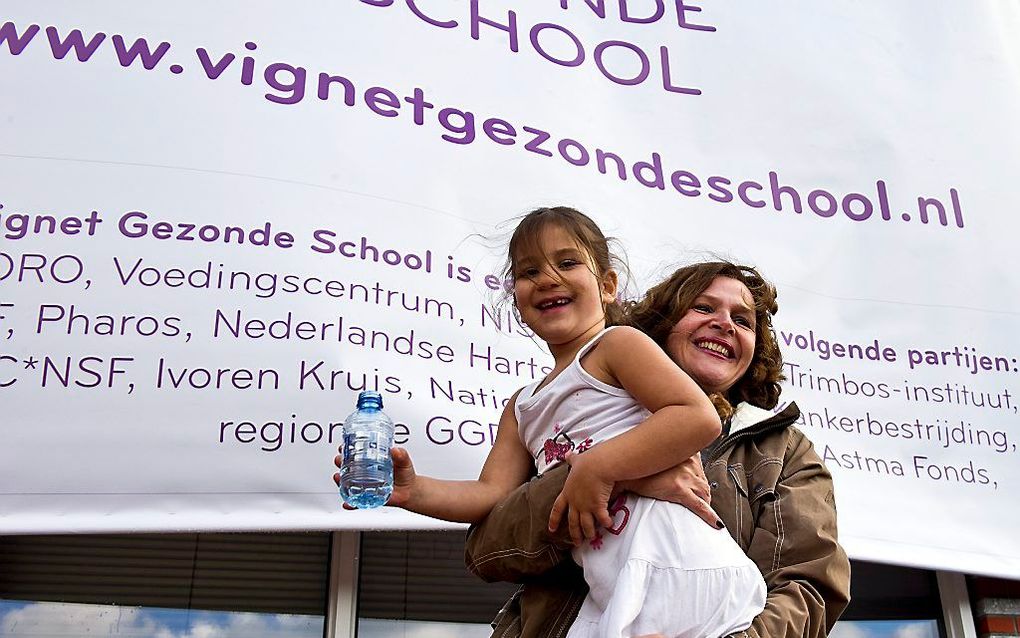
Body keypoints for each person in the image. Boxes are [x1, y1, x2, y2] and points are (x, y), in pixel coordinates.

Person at [336, 207, 767, 637]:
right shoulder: (522, 407)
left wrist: (596, 467)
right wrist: (415, 491)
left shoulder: (617, 345)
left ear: (607, 286)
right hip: (611, 583)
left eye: (567, 262)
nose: (546, 278)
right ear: (516, 299)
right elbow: (490, 496)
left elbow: (696, 417)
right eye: (529, 271)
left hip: (675, 560)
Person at [464, 260, 852, 638]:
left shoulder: (787, 452)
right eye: (703, 307)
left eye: (743, 320)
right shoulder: (575, 412)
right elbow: (488, 550)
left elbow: (808, 585)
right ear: (662, 326)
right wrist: (608, 473)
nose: (724, 324)